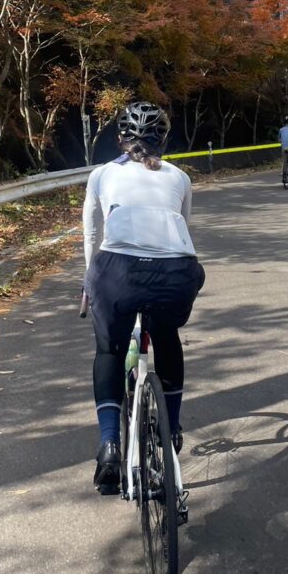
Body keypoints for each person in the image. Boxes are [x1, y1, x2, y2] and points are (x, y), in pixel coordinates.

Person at [82, 101, 205, 495]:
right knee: (166, 335)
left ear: (120, 139)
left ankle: (108, 444)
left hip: (117, 271)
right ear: (163, 140)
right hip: (176, 272)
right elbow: (181, 228)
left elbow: (92, 236)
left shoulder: (102, 175)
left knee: (110, 350)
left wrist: (91, 284)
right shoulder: (180, 177)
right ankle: (170, 430)